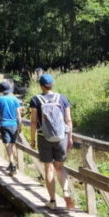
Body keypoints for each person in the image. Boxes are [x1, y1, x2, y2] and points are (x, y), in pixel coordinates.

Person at [29, 73, 75, 209]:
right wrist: (70, 137)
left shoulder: (35, 100)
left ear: (41, 86)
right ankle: (66, 193)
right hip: (61, 137)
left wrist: (32, 139)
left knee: (49, 169)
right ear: (52, 84)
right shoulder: (62, 98)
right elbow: (68, 120)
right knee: (60, 168)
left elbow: (33, 121)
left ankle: (53, 202)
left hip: (44, 137)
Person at [0, 80, 23, 175]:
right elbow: (18, 113)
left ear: (2, 90)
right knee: (13, 144)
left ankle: (12, 164)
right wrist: (20, 124)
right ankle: (12, 163)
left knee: (7, 144)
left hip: (4, 124)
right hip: (14, 124)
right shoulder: (15, 99)